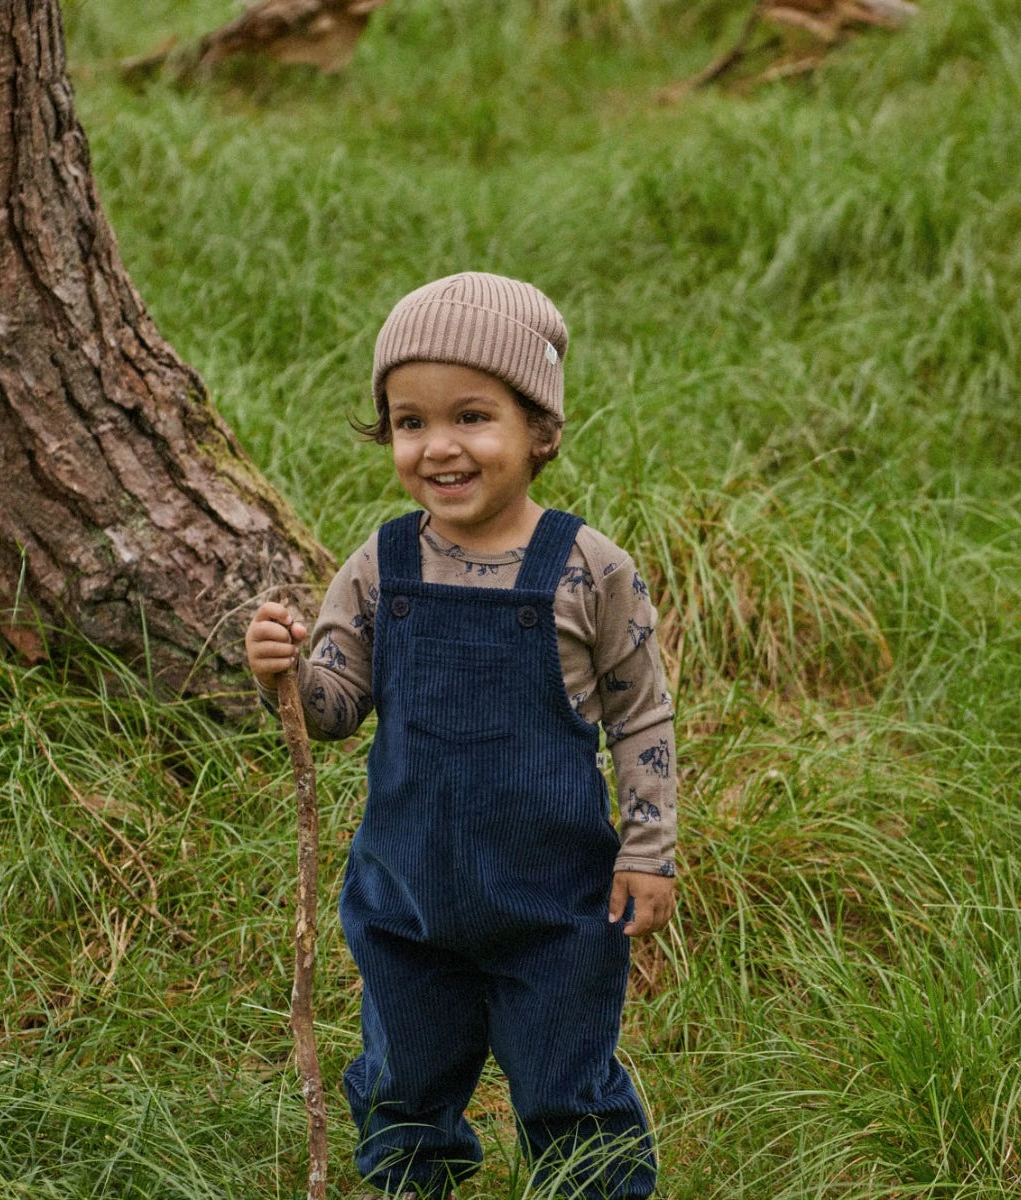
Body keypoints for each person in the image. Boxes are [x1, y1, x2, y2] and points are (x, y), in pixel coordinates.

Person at [245, 272, 677, 1200]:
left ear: (540, 430)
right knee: (404, 1085)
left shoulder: (591, 570)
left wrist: (650, 849)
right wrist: (285, 675)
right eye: (410, 421)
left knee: (569, 1089)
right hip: (408, 903)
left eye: (472, 417)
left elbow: (641, 711)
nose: (438, 445)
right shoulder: (380, 565)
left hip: (555, 909)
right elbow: (335, 711)